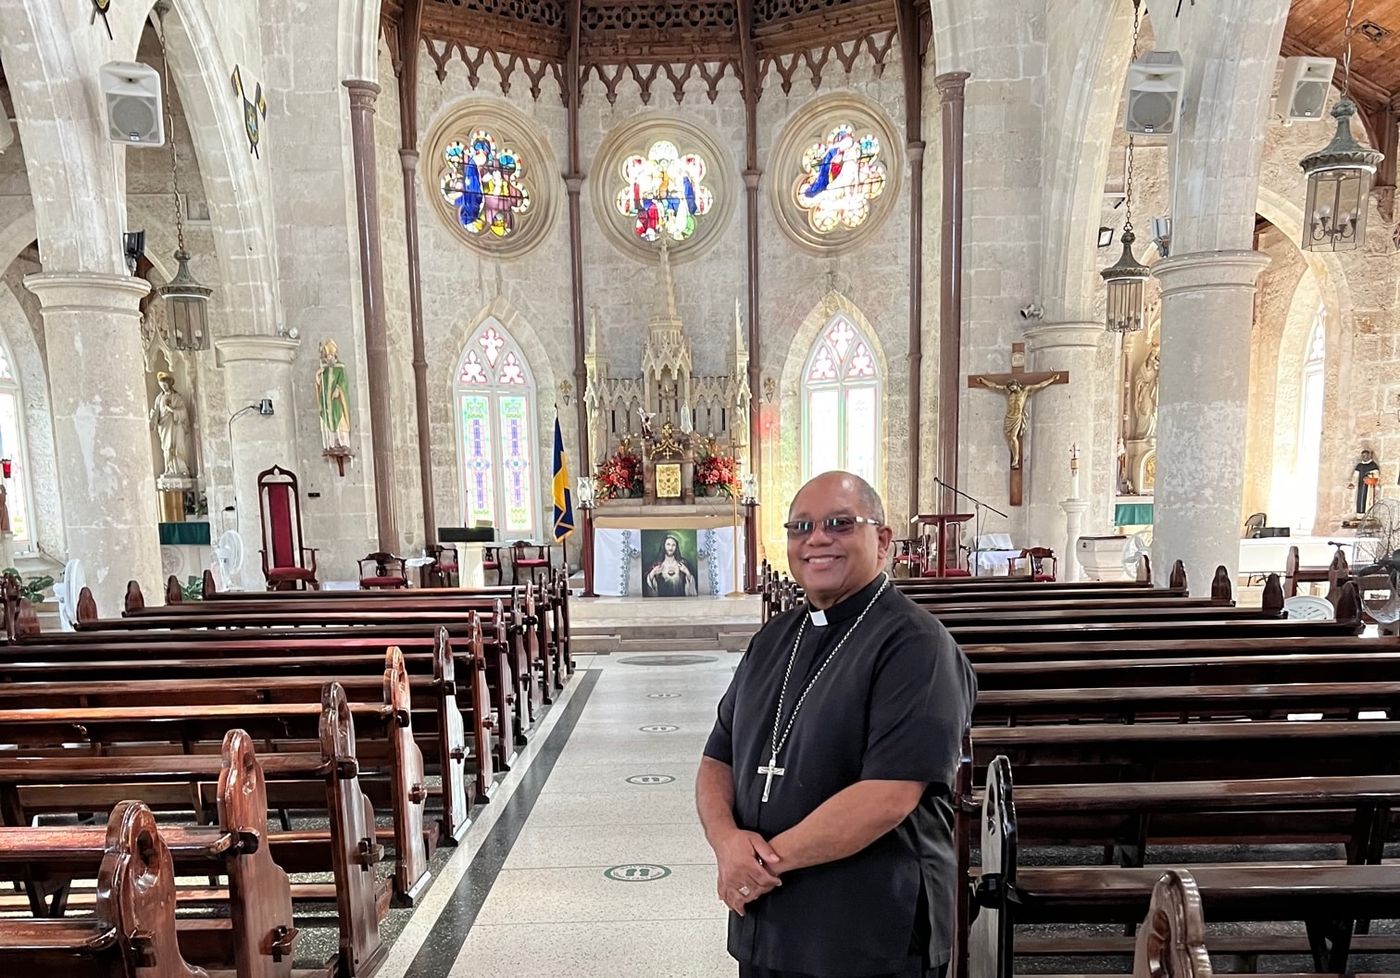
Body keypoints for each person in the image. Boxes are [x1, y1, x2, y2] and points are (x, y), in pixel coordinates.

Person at [698, 471, 977, 978]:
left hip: (868, 932)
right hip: (767, 924)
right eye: (801, 527)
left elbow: (888, 796)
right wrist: (725, 843)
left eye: (840, 524)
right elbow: (717, 758)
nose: (817, 539)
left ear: (883, 541)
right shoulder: (773, 639)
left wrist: (758, 864)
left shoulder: (917, 646)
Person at [149, 372, 191, 478]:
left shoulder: (177, 397)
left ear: (169, 384)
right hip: (165, 426)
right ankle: (168, 469)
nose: (163, 387)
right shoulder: (159, 398)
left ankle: (181, 469)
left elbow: (183, 412)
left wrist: (172, 410)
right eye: (161, 385)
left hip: (176, 426)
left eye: (164, 385)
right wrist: (153, 419)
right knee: (167, 447)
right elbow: (156, 411)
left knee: (178, 446)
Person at [645, 532, 698, 597]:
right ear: (664, 545)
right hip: (661, 601)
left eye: (673, 545)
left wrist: (687, 572)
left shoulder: (683, 563)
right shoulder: (656, 564)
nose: (670, 548)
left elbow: (692, 587)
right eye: (668, 544)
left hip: (681, 601)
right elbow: (648, 588)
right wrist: (653, 573)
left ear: (676, 547)